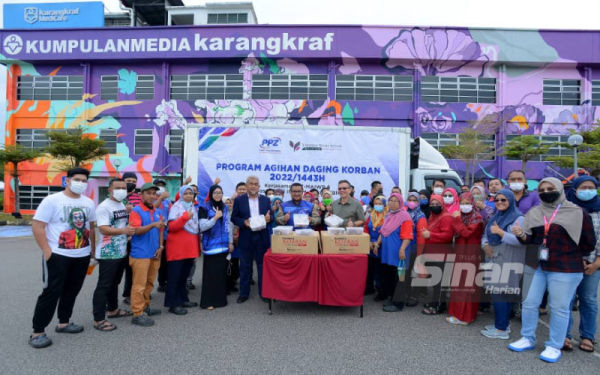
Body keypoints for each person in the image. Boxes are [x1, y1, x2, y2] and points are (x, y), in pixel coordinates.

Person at [509, 177, 596, 363]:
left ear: (559, 189)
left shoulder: (578, 212)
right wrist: (521, 235)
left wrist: (568, 253)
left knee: (559, 307)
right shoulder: (534, 212)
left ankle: (554, 345)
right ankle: (527, 337)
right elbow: (530, 241)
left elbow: (588, 243)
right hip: (537, 265)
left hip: (565, 268)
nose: (545, 192)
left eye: (550, 188)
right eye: (541, 190)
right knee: (529, 303)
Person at [29, 168, 97, 349]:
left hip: (81, 256)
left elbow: (91, 228)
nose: (80, 183)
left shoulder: (89, 202)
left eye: (84, 180)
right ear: (67, 180)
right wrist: (46, 251)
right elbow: (37, 226)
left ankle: (64, 323)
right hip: (58, 256)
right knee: (51, 292)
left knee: (72, 290)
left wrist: (92, 252)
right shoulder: (52, 200)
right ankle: (38, 331)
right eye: (77, 179)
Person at [480, 189, 526, 339]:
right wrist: (485, 244)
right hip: (494, 257)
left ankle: (501, 329)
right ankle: (502, 324)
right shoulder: (495, 217)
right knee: (499, 293)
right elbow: (486, 235)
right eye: (497, 200)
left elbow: (520, 242)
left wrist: (501, 233)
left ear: (511, 201)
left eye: (503, 200)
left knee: (499, 293)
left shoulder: (518, 218)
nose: (499, 202)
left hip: (509, 259)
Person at [92, 178, 135, 333]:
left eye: (124, 187)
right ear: (109, 190)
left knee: (114, 283)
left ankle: (113, 309)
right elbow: (103, 229)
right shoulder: (104, 207)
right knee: (104, 285)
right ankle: (98, 319)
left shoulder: (120, 204)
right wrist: (124, 231)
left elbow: (120, 222)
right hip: (108, 252)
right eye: (118, 187)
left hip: (121, 251)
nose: (122, 190)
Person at [564, 176, 600, 353]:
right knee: (566, 300)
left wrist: (597, 263)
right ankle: (564, 335)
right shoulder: (566, 209)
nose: (587, 190)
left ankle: (588, 336)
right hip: (569, 263)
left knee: (589, 300)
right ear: (575, 190)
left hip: (593, 264)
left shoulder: (599, 210)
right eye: (583, 187)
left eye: (591, 187)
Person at [128, 183, 165, 327]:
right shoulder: (136, 211)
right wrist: (153, 225)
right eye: (148, 193)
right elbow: (135, 231)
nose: (151, 196)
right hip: (140, 254)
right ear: (141, 194)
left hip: (154, 252)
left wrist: (161, 246)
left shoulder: (156, 210)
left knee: (150, 283)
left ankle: (145, 307)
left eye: (153, 193)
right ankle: (137, 313)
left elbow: (161, 229)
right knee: (139, 285)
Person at [231, 176, 272, 303]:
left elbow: (271, 217)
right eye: (251, 184)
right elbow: (234, 217)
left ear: (259, 186)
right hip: (246, 236)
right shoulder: (239, 200)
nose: (253, 186)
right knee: (245, 266)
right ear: (247, 186)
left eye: (256, 184)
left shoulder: (266, 200)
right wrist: (243, 222)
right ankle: (244, 293)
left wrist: (270, 219)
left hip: (262, 237)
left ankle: (264, 293)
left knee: (262, 266)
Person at [446, 193, 485, 325]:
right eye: (462, 203)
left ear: (473, 203)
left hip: (470, 254)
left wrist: (456, 219)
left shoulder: (476, 217)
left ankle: (464, 317)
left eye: (467, 203)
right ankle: (461, 314)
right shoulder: (462, 216)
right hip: (459, 252)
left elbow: (466, 233)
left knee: (466, 283)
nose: (464, 206)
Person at [164, 185, 200, 316]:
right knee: (174, 278)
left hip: (189, 249)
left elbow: (196, 228)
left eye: (191, 193)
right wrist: (185, 217)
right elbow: (172, 227)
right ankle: (172, 304)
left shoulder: (192, 207)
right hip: (177, 249)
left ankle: (183, 299)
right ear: (181, 194)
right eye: (186, 193)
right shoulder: (176, 207)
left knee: (183, 277)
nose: (189, 196)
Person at [376, 193, 413, 312]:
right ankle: (393, 298)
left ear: (401, 202)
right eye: (390, 200)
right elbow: (383, 232)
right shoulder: (389, 215)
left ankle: (398, 303)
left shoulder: (405, 216)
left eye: (395, 201)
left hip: (399, 252)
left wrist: (402, 249)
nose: (392, 203)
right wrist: (377, 243)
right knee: (391, 276)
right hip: (388, 252)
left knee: (399, 278)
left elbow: (407, 236)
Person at [199, 185, 233, 310]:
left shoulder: (224, 207)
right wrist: (215, 218)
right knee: (210, 275)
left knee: (220, 275)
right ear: (211, 194)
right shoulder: (204, 207)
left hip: (223, 246)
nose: (218, 195)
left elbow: (228, 226)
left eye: (220, 192)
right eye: (215, 192)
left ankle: (220, 300)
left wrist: (230, 243)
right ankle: (208, 301)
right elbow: (202, 226)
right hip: (211, 247)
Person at [420, 194, 455, 315]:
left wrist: (430, 235)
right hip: (432, 252)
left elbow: (447, 236)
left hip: (442, 254)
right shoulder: (433, 216)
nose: (434, 206)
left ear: (442, 204)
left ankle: (439, 305)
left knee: (440, 282)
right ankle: (436, 301)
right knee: (435, 281)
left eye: (437, 204)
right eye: (432, 204)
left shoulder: (446, 217)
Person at [404, 192, 428, 307]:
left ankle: (415, 296)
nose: (412, 202)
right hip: (405, 247)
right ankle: (407, 293)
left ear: (418, 202)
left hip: (414, 248)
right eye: (410, 199)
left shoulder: (420, 216)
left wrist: (420, 252)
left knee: (415, 273)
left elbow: (421, 236)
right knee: (407, 272)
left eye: (414, 200)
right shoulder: (404, 212)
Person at [121, 171, 141, 305]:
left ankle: (129, 294)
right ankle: (108, 302)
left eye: (134, 182)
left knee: (132, 268)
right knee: (115, 271)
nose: (131, 184)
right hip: (118, 239)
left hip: (134, 239)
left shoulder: (139, 198)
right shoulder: (116, 197)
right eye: (128, 181)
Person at [363, 195, 387, 300]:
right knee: (371, 268)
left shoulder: (388, 216)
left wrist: (377, 243)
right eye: (376, 204)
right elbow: (366, 229)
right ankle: (371, 288)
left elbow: (385, 230)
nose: (377, 206)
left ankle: (382, 291)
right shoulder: (371, 215)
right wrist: (369, 241)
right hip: (370, 245)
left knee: (381, 270)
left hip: (382, 245)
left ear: (385, 204)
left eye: (380, 204)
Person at [154, 178, 171, 293]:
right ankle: (159, 283)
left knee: (166, 260)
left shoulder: (168, 202)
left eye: (162, 185)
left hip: (166, 235)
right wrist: (160, 197)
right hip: (154, 235)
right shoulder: (152, 200)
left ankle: (164, 282)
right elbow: (153, 208)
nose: (160, 187)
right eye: (158, 185)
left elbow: (171, 215)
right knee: (155, 261)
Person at [225, 196, 241, 293]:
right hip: (226, 243)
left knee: (235, 263)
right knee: (227, 264)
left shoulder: (235, 214)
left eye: (230, 203)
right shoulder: (222, 213)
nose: (228, 204)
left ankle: (233, 282)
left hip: (236, 242)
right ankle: (227, 285)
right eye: (226, 203)